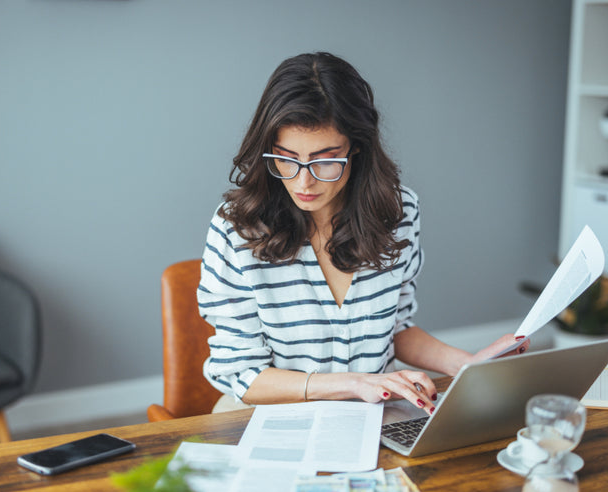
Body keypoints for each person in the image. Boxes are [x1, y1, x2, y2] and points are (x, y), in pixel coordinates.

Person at [198, 52, 528, 414]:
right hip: (270, 415)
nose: (303, 180)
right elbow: (244, 375)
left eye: (325, 159)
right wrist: (354, 384)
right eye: (287, 158)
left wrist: (466, 365)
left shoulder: (398, 213)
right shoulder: (237, 228)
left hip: (369, 413)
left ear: (357, 145)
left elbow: (396, 328)